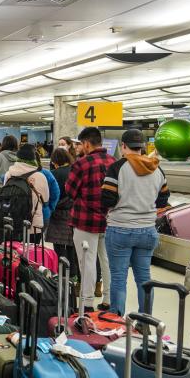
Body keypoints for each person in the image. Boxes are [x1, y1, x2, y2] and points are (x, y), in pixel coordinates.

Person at [100, 129, 170, 316]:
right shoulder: (157, 168)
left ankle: (116, 321)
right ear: (143, 147)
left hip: (120, 229)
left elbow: (107, 199)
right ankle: (145, 321)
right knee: (144, 278)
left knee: (118, 278)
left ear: (123, 146)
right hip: (147, 230)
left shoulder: (117, 167)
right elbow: (163, 200)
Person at [65, 127, 115, 311]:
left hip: (85, 221)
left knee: (87, 261)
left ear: (86, 143)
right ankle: (108, 299)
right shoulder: (113, 162)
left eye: (80, 144)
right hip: (109, 220)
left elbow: (70, 191)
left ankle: (86, 303)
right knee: (106, 260)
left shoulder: (81, 164)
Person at [2, 144, 50, 241]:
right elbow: (45, 200)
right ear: (34, 159)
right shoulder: (40, 176)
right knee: (32, 254)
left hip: (12, 223)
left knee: (14, 254)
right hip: (33, 225)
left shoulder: (9, 174)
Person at [46, 148, 78, 283]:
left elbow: (50, 195)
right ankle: (74, 276)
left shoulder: (53, 174)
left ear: (55, 161)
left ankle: (61, 275)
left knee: (58, 246)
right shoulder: (75, 171)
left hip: (58, 214)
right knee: (72, 245)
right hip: (73, 213)